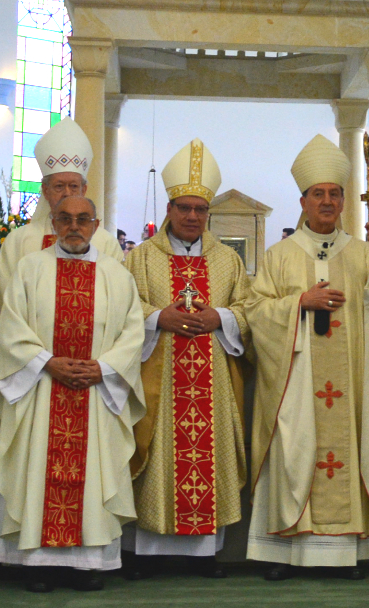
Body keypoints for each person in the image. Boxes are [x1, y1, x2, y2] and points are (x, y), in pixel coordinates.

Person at [241, 135, 369, 580]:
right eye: (319, 194)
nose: (328, 201)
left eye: (335, 193)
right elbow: (255, 312)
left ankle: (346, 552)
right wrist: (299, 304)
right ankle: (282, 553)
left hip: (350, 383)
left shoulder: (362, 251)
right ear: (303, 200)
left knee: (346, 450)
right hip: (296, 383)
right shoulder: (279, 256)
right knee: (295, 452)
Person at [0, 195, 147, 592]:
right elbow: (11, 330)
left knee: (94, 471)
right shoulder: (29, 269)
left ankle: (88, 562)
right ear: (53, 223)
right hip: (42, 389)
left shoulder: (117, 274)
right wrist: (46, 362)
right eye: (65, 219)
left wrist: (104, 367)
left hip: (95, 392)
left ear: (95, 224)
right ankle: (37, 563)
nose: (74, 226)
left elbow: (133, 332)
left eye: (82, 219)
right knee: (37, 468)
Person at [120, 140, 253, 579]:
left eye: (199, 208)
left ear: (208, 212)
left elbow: (249, 311)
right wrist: (159, 317)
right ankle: (149, 552)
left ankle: (203, 554)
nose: (192, 216)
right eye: (183, 207)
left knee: (207, 455)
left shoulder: (228, 261)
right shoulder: (139, 258)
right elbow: (123, 311)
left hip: (211, 380)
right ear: (169, 208)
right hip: (159, 378)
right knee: (157, 454)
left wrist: (223, 317)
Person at [0, 118, 121, 289]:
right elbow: (9, 299)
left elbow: (117, 295)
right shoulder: (18, 242)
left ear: (83, 190)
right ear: (46, 191)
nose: (67, 193)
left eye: (73, 186)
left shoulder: (106, 243)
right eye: (59, 186)